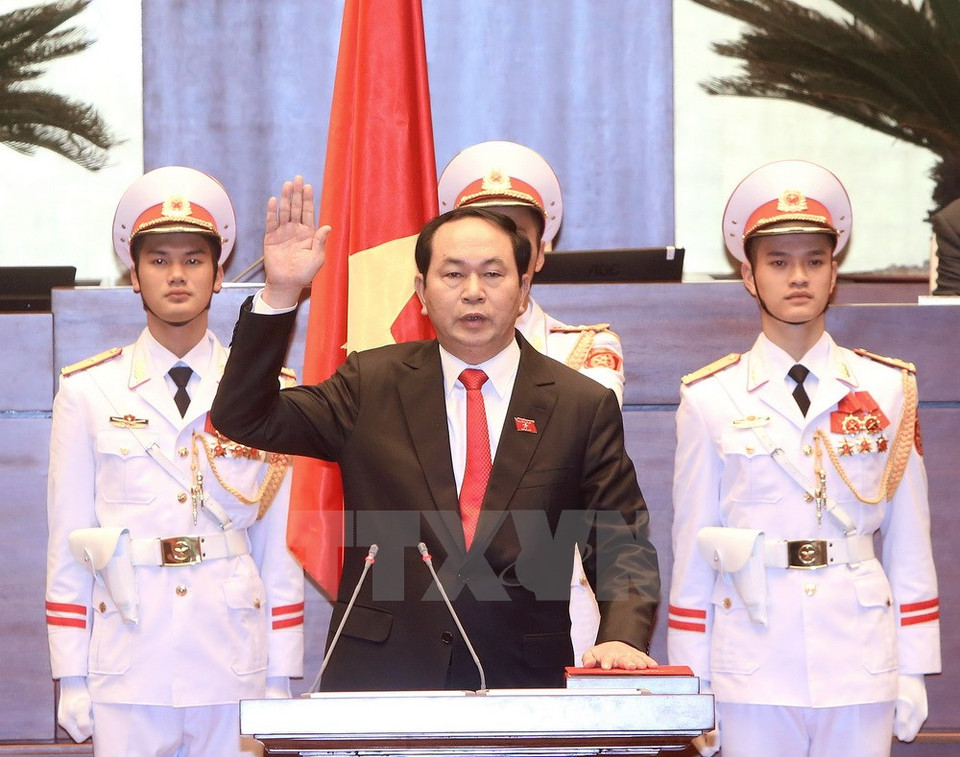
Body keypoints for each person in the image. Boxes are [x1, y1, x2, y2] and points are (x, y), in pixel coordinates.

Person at [210, 176, 660, 692]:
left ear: (522, 291)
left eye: (493, 274)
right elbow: (245, 417)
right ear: (421, 292)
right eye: (453, 274)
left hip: (525, 682)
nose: (473, 292)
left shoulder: (580, 403)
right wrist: (282, 293)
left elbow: (620, 540)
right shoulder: (369, 383)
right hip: (383, 680)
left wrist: (624, 636)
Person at [668, 160, 941, 757]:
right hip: (753, 658)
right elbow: (694, 546)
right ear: (749, 275)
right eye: (778, 262)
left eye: (815, 261)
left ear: (834, 272)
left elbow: (908, 539)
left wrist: (913, 663)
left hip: (860, 655)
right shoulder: (711, 397)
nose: (799, 277)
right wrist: (693, 681)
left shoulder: (887, 389)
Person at [45, 166, 304, 757]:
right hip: (129, 655)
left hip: (232, 656)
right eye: (159, 260)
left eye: (194, 259)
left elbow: (279, 544)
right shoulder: (88, 392)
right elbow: (69, 539)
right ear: (133, 276)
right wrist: (73, 673)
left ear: (218, 276)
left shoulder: (268, 388)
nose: (177, 275)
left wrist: (279, 671)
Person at [438, 139, 624, 662]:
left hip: (552, 604)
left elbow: (586, 485)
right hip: (435, 610)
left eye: (515, 234)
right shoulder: (409, 364)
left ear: (539, 252)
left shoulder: (584, 352)